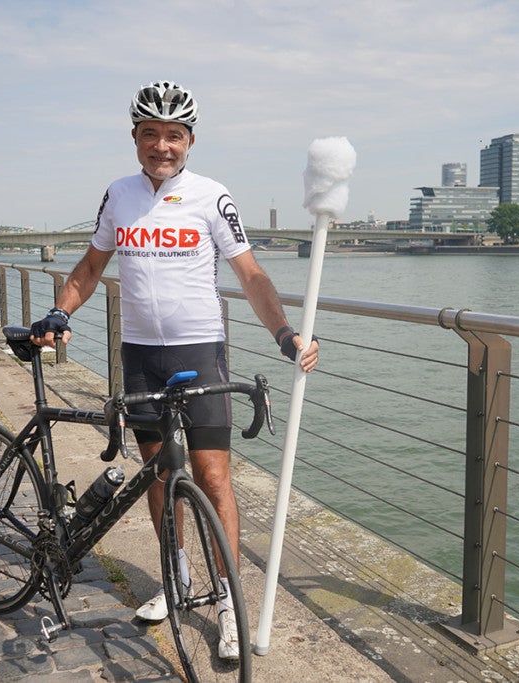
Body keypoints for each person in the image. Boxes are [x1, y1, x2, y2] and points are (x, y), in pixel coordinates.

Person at [30, 80, 319, 660]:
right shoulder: (118, 196)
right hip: (141, 356)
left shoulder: (212, 197)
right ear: (135, 138)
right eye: (150, 135)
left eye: (173, 136)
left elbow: (252, 275)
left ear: (190, 141)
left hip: (198, 352)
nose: (162, 146)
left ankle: (229, 604)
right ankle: (176, 579)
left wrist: (286, 335)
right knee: (159, 476)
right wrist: (62, 309)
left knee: (212, 478)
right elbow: (90, 267)